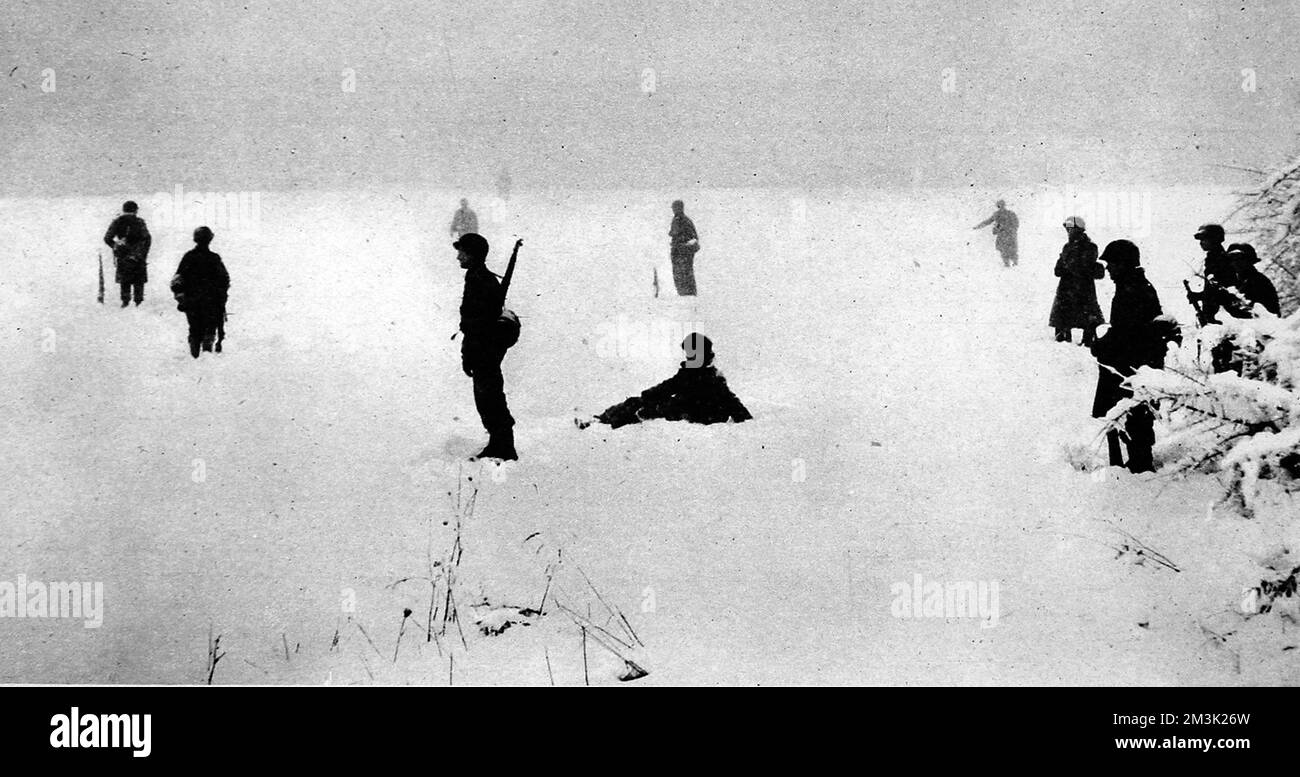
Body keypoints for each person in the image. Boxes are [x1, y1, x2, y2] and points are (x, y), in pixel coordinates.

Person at [1089, 240, 1171, 474]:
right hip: (1132, 361)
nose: (1109, 269)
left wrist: (1103, 344)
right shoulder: (1132, 285)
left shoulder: (1133, 289)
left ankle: (1140, 466)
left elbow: (1129, 331)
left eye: (1112, 263)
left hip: (1135, 363)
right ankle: (1135, 462)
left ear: (1124, 264)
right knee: (1129, 413)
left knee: (1135, 415)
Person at [576, 333, 751, 429]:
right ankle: (603, 420)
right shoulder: (696, 371)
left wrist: (744, 419)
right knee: (637, 403)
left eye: (691, 352)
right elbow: (668, 386)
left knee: (645, 410)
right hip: (685, 409)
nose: (688, 355)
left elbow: (731, 401)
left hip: (694, 414)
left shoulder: (708, 376)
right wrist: (648, 395)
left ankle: (606, 424)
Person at [455, 232, 516, 461]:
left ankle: (504, 447)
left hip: (485, 351)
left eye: (462, 252)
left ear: (472, 255)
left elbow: (479, 324)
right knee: (486, 399)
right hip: (481, 349)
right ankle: (498, 443)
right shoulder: (476, 277)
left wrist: (472, 353)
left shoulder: (481, 280)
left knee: (490, 399)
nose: (458, 257)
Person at [170, 226, 230, 359]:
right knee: (209, 330)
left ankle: (195, 359)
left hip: (192, 302)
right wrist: (221, 298)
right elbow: (225, 280)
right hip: (211, 302)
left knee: (195, 330)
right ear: (210, 239)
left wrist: (181, 296)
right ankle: (206, 358)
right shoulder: (214, 258)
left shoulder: (189, 257)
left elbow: (176, 280)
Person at [1049, 216, 1105, 344]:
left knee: (1086, 315)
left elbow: (1079, 266)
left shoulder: (1089, 247)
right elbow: (1058, 270)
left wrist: (1066, 264)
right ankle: (1065, 337)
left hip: (1081, 286)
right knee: (1067, 315)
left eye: (1070, 228)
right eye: (1067, 228)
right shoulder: (1068, 247)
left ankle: (1087, 339)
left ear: (1079, 229)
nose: (1068, 231)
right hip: (1072, 286)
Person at [102, 200, 152, 307]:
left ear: (123, 209)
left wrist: (116, 246)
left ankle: (125, 302)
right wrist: (141, 253)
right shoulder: (139, 222)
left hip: (123, 255)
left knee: (125, 281)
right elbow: (147, 239)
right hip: (138, 256)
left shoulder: (117, 221)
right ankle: (138, 304)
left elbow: (107, 238)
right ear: (135, 210)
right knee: (138, 281)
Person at [1223, 243, 1280, 317]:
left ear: (1249, 260)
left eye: (1240, 259)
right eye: (1232, 259)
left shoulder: (1259, 281)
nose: (1235, 263)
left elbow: (1269, 312)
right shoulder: (1236, 282)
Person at [972, 199, 1019, 266]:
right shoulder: (1006, 214)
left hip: (1006, 234)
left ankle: (1011, 264)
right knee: (1008, 251)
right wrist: (978, 227)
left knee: (1007, 251)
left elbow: (1016, 224)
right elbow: (988, 221)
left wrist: (978, 227)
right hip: (1007, 234)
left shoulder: (1002, 214)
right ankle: (1011, 265)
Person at [668, 199, 700, 296]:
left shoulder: (685, 221)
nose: (674, 210)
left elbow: (694, 239)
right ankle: (683, 293)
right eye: (673, 208)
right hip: (677, 252)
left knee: (685, 274)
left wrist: (685, 247)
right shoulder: (676, 220)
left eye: (675, 207)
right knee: (679, 275)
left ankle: (688, 294)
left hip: (684, 253)